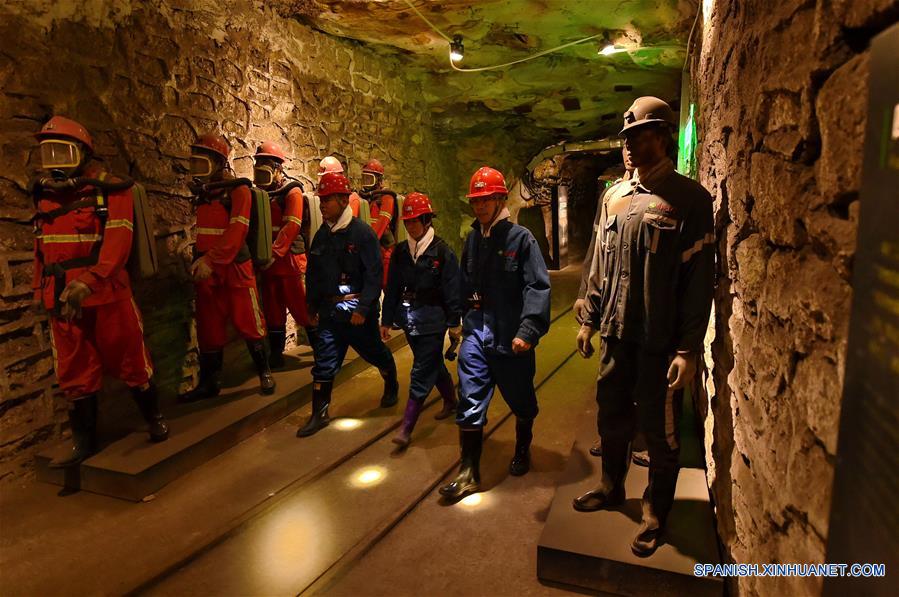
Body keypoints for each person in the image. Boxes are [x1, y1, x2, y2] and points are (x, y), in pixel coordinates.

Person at [573, 97, 715, 557]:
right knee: (611, 419)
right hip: (617, 332)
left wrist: (688, 348)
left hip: (660, 340)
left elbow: (698, 281)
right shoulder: (614, 197)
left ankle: (656, 514)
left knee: (660, 432)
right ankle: (612, 487)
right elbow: (598, 261)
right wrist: (588, 317)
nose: (630, 145)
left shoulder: (691, 199)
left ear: (663, 137)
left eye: (641, 135)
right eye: (627, 137)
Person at [31, 116, 168, 467]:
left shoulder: (111, 189)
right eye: (49, 153)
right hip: (62, 295)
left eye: (62, 152)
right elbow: (42, 247)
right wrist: (39, 288)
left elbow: (118, 242)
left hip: (106, 292)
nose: (56, 162)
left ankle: (154, 419)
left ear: (82, 152)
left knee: (131, 357)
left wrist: (90, 280)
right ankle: (84, 442)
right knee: (74, 369)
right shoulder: (43, 195)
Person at [438, 166, 551, 501]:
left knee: (521, 401)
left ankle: (522, 447)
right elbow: (463, 282)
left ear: (501, 198)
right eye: (476, 201)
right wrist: (456, 319)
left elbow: (537, 286)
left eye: (486, 199)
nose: (480, 206)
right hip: (476, 334)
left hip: (510, 338)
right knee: (469, 399)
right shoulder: (473, 239)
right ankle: (468, 472)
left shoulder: (521, 239)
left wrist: (528, 329)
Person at [298, 172, 399, 437]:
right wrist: (312, 306)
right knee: (324, 363)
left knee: (374, 352)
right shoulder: (322, 235)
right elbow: (314, 273)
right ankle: (319, 413)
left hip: (356, 312)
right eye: (321, 201)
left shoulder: (362, 234)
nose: (322, 205)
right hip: (331, 312)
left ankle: (391, 381)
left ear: (343, 200)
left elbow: (374, 275)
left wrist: (363, 309)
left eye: (327, 200)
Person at [178, 132, 275, 401]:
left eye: (203, 163)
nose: (198, 170)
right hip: (208, 268)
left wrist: (210, 259)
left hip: (234, 266)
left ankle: (264, 371)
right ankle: (210, 382)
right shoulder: (204, 193)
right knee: (209, 327)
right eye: (194, 163)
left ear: (219, 163)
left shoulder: (238, 190)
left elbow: (236, 231)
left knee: (249, 320)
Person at [380, 192, 462, 447]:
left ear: (427, 220)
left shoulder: (442, 252)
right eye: (407, 222)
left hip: (434, 320)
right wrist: (386, 319)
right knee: (432, 364)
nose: (410, 226)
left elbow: (452, 288)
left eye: (415, 220)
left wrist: (454, 322)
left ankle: (407, 427)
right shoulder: (401, 252)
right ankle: (451, 401)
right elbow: (392, 286)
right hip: (410, 319)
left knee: (420, 370)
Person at [254, 141, 313, 368]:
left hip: (289, 262)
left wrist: (273, 252)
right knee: (272, 308)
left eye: (266, 167)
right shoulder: (260, 194)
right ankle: (276, 354)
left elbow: (292, 225)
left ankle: (323, 351)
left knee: (302, 307)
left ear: (278, 169)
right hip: (270, 263)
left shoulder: (292, 192)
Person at [358, 158, 398, 287]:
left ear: (379, 180)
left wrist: (366, 243)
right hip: (370, 247)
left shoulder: (386, 197)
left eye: (370, 179)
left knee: (385, 285)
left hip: (384, 248)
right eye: (365, 179)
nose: (366, 183)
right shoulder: (364, 198)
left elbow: (382, 222)